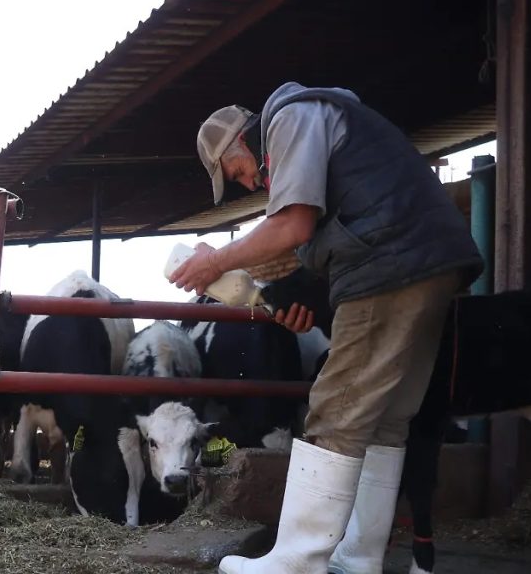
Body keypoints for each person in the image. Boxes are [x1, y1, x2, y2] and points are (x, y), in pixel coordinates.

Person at [169, 82, 482, 574]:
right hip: (431, 264)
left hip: (389, 263)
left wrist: (216, 262)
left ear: (242, 143)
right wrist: (301, 299)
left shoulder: (290, 118)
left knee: (335, 406)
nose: (249, 184)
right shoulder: (332, 124)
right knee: (386, 418)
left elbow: (292, 226)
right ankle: (358, 555)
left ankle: (295, 561)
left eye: (237, 171)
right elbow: (318, 234)